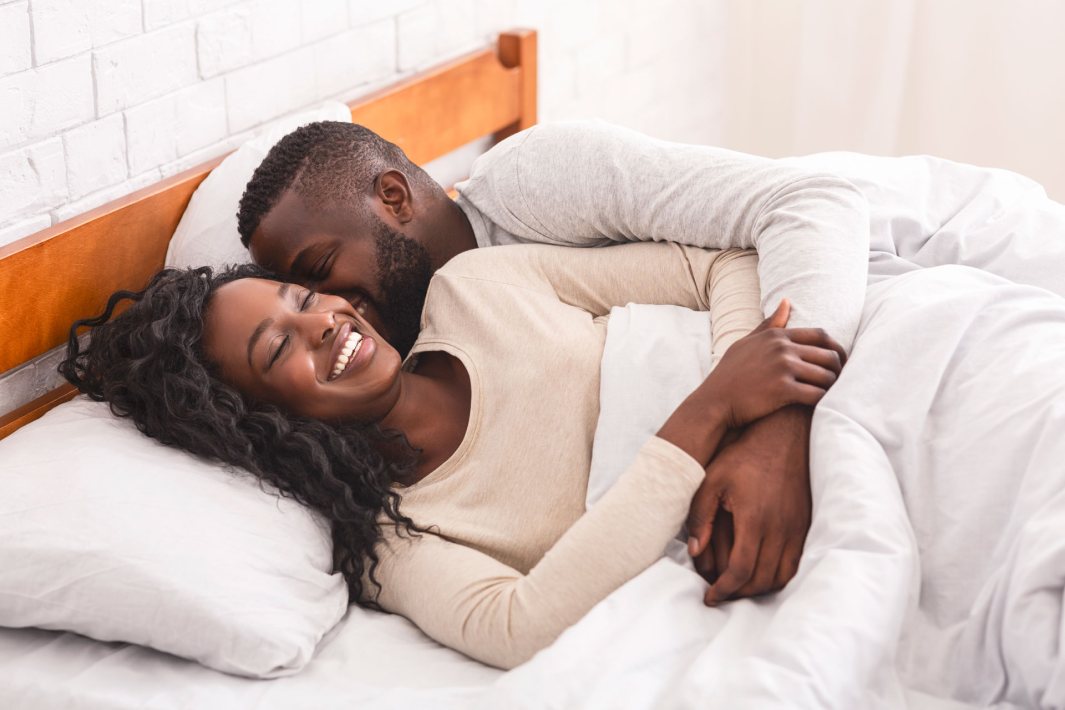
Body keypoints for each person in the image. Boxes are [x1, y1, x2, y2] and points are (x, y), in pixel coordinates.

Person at [60, 240, 846, 669]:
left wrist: (765, 431)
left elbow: (717, 265)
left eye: (303, 300)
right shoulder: (395, 537)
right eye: (279, 348)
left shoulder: (478, 286)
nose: (324, 324)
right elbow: (513, 628)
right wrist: (709, 413)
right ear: (261, 422)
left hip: (834, 391)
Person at [236, 119, 873, 602]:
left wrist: (773, 433)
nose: (331, 310)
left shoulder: (530, 187)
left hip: (839, 281)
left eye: (320, 274)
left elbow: (810, 201)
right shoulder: (402, 361)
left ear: (395, 198)